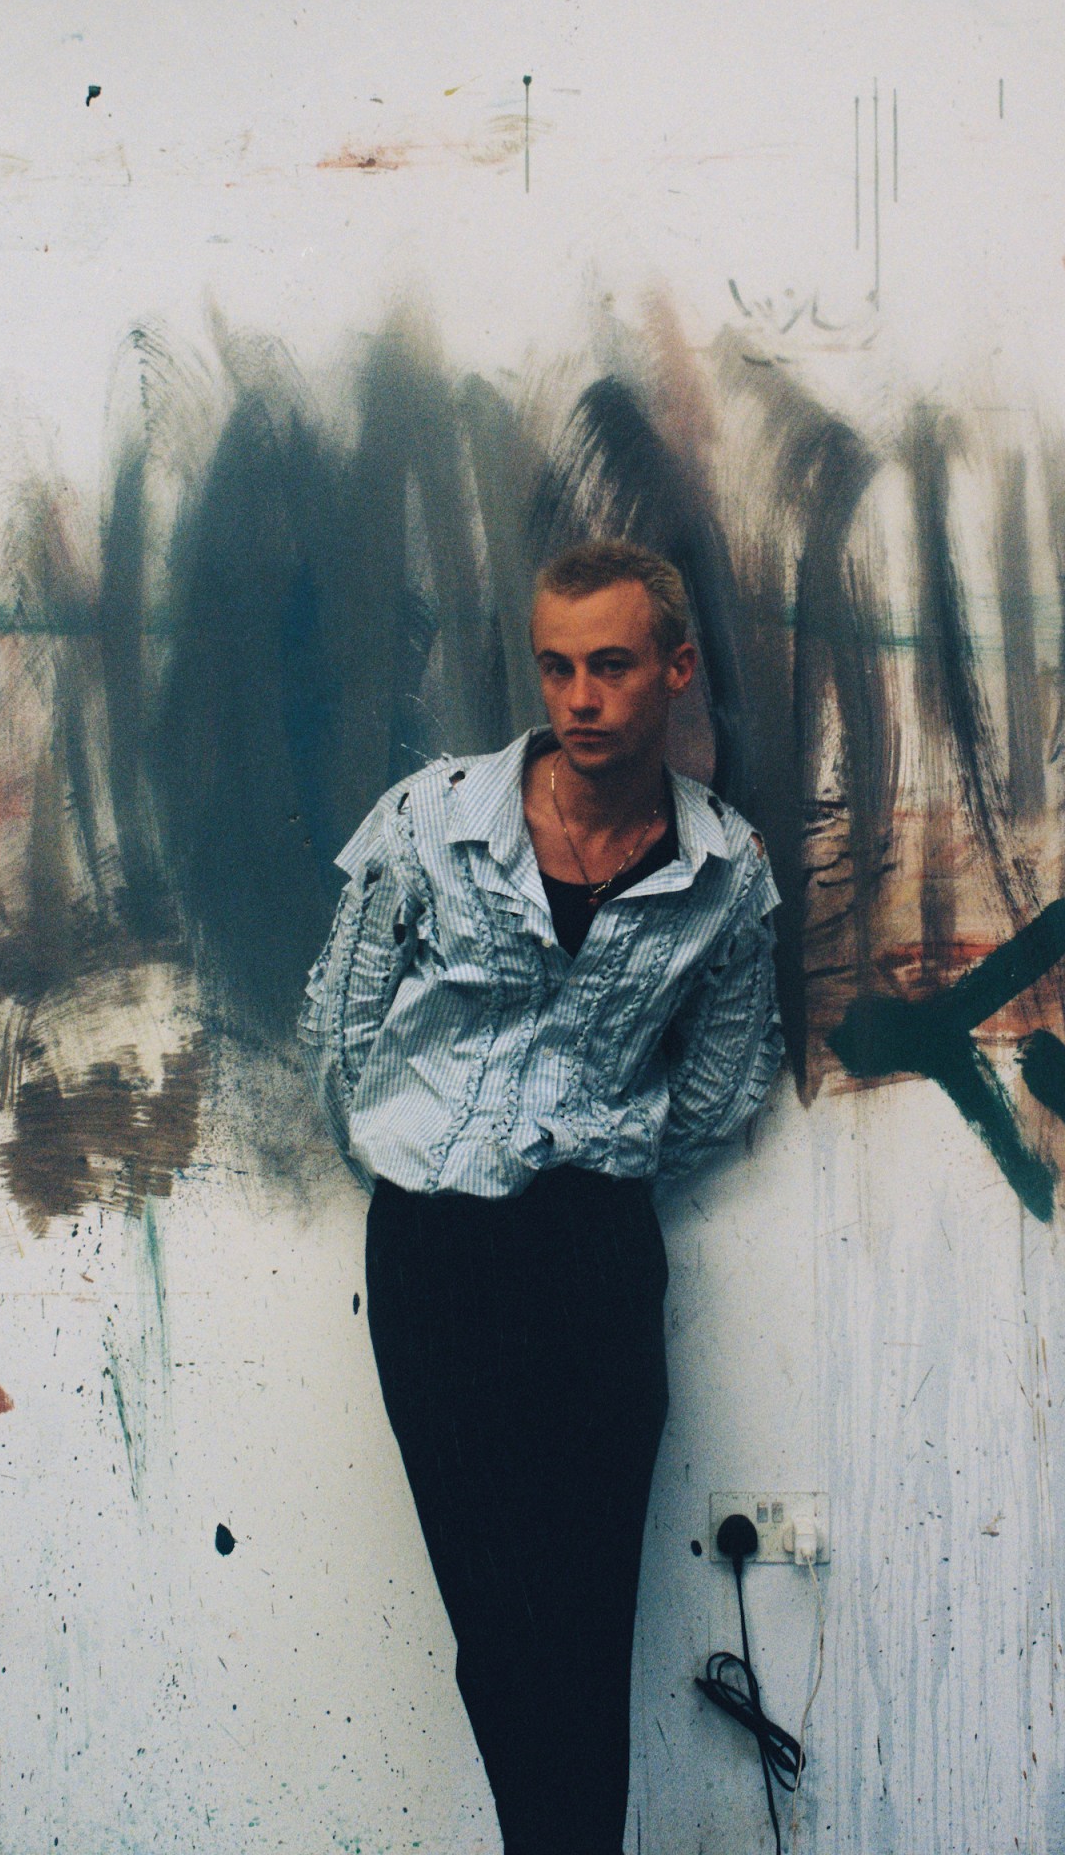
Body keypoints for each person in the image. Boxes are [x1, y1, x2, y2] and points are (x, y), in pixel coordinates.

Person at [299, 538, 784, 1855]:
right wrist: (428, 1159)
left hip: (595, 1261)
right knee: (501, 1629)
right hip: (436, 1260)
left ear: (675, 669)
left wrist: (590, 1151)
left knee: (584, 1623)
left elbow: (724, 1084)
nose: (580, 697)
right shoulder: (434, 818)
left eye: (613, 665)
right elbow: (339, 1032)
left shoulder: (725, 874)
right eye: (558, 665)